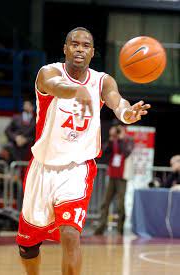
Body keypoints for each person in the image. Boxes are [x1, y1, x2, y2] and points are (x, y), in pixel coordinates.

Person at [16, 27, 150, 275]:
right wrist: (75, 90)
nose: (79, 49)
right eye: (74, 44)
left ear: (92, 52)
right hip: (42, 167)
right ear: (65, 48)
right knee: (28, 247)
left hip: (77, 168)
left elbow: (116, 101)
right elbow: (56, 86)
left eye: (85, 45)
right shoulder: (48, 72)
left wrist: (127, 114)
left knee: (70, 233)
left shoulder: (102, 80)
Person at [94, 124, 134, 235]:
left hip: (122, 176)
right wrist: (111, 139)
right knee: (105, 202)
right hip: (112, 174)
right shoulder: (113, 140)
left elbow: (126, 153)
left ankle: (120, 229)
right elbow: (104, 152)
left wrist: (121, 139)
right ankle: (101, 227)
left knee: (121, 204)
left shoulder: (128, 140)